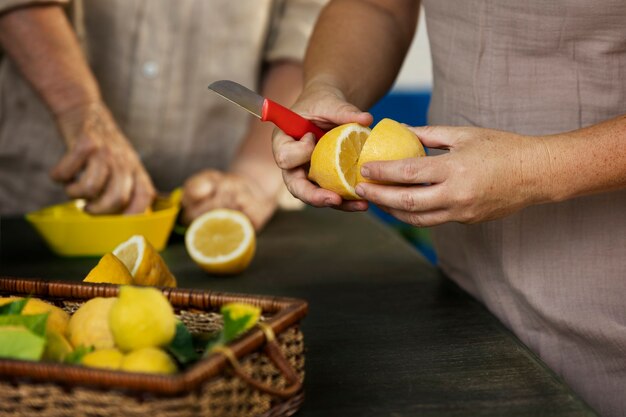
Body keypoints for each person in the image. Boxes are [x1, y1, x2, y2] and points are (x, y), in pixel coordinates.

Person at [271, 1, 626, 415]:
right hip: (465, 278)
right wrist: (327, 85)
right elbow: (378, 7)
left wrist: (537, 167)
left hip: (608, 288)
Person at [0, 0, 326, 230]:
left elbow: (308, 34)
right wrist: (78, 111)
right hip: (37, 200)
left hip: (219, 214)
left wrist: (252, 179)